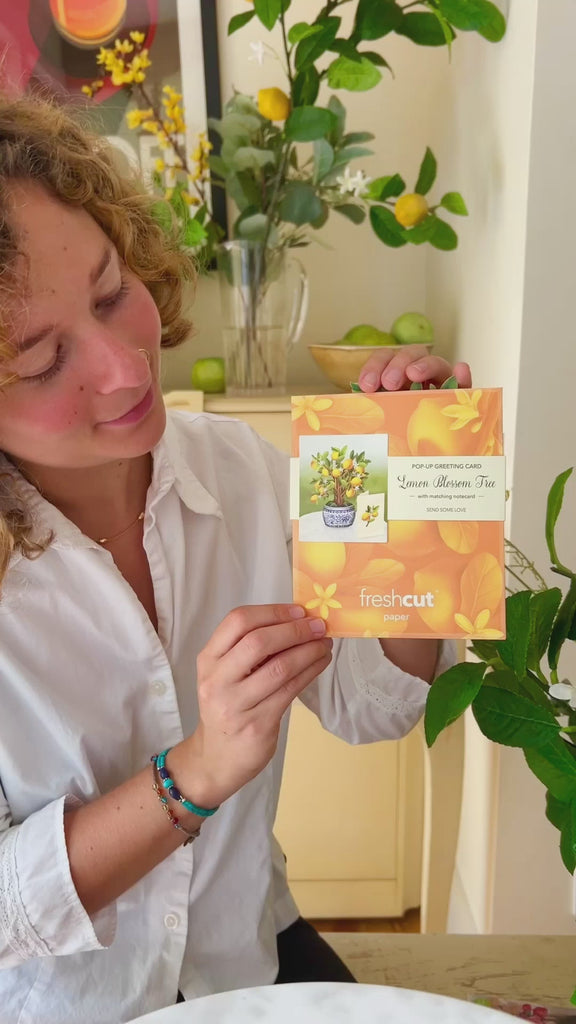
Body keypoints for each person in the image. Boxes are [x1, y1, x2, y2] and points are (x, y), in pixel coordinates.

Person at [0, 93, 472, 1024]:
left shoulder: (242, 469)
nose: (127, 369)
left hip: (242, 953)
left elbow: (377, 705)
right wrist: (195, 773)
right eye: (45, 360)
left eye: (111, 292)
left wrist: (412, 509)